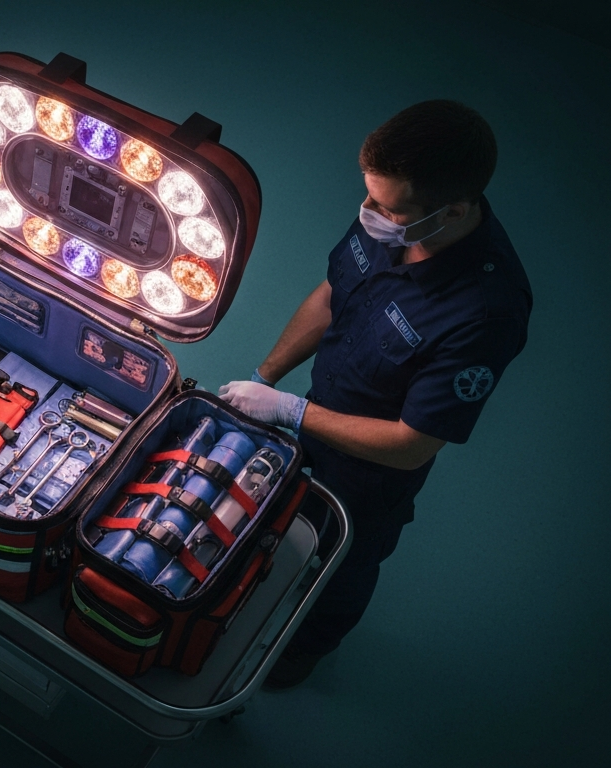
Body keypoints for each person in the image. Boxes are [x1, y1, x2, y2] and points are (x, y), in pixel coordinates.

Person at [218, 101, 532, 689]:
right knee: (265, 516)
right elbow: (333, 294)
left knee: (342, 562)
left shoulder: (486, 313)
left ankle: (302, 653)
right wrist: (267, 379)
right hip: (316, 411)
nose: (369, 215)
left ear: (452, 212)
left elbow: (413, 445)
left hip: (371, 471)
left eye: (386, 208)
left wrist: (294, 412)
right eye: (367, 199)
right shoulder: (386, 214)